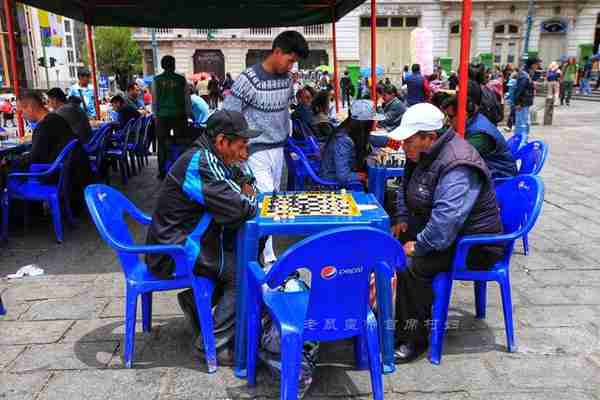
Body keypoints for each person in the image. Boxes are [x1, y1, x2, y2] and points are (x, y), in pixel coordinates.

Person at [387, 103, 503, 363]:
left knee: (410, 264)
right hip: (446, 233)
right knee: (389, 247)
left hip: (473, 245)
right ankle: (409, 314)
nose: (403, 146)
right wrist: (403, 218)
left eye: (408, 140)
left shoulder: (458, 164)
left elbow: (445, 225)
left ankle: (413, 339)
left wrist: (419, 245)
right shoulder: (422, 153)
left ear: (430, 137)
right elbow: (405, 188)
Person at [145, 110, 259, 363]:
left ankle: (194, 303)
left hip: (191, 240)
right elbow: (240, 207)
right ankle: (213, 344)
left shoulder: (215, 157)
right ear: (221, 141)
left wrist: (246, 190)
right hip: (172, 251)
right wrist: (246, 195)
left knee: (245, 257)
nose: (245, 154)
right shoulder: (201, 162)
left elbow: (248, 183)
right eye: (241, 147)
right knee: (244, 273)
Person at [223, 30, 309, 265]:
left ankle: (260, 255)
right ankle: (267, 259)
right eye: (290, 60)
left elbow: (284, 112)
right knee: (265, 202)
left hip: (278, 149)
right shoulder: (248, 79)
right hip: (254, 151)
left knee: (273, 202)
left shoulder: (286, 79)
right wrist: (238, 152)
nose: (292, 66)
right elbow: (229, 114)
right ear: (277, 51)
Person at [440, 85, 517, 179]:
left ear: (463, 115)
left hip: (500, 175)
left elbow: (457, 155)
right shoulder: (474, 120)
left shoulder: (480, 135)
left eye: (450, 116)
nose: (448, 121)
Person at [319, 100, 381, 186]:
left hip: (339, 175)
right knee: (375, 179)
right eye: (373, 120)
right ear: (365, 123)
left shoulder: (353, 133)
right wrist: (364, 176)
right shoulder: (343, 140)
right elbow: (343, 176)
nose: (376, 123)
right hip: (332, 181)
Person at [152, 55, 192, 180]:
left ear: (163, 66)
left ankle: (162, 171)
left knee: (162, 144)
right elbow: (187, 99)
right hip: (179, 116)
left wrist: (155, 114)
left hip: (162, 117)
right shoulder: (181, 79)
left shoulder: (156, 80)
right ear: (173, 65)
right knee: (181, 143)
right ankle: (181, 170)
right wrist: (189, 114)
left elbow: (155, 100)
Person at [17, 91, 76, 166]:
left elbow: (34, 158)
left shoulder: (43, 127)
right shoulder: (57, 118)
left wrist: (10, 160)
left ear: (30, 108)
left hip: (54, 172)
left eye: (21, 111)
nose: (22, 116)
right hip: (70, 168)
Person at [513, 56, 540, 139]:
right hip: (522, 103)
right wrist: (517, 103)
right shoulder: (524, 75)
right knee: (521, 124)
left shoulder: (528, 74)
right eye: (536, 64)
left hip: (525, 103)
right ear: (532, 65)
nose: (538, 66)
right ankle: (519, 142)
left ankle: (524, 140)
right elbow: (519, 90)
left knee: (524, 123)